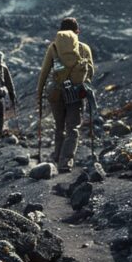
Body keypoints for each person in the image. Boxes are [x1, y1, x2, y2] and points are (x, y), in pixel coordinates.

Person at [36, 17, 95, 173]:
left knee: (59, 126)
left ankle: (56, 156)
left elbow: (44, 73)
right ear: (77, 31)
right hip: (76, 93)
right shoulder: (84, 49)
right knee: (73, 128)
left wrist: (39, 93)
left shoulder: (54, 48)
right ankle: (65, 162)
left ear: (60, 31)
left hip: (56, 92)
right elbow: (90, 73)